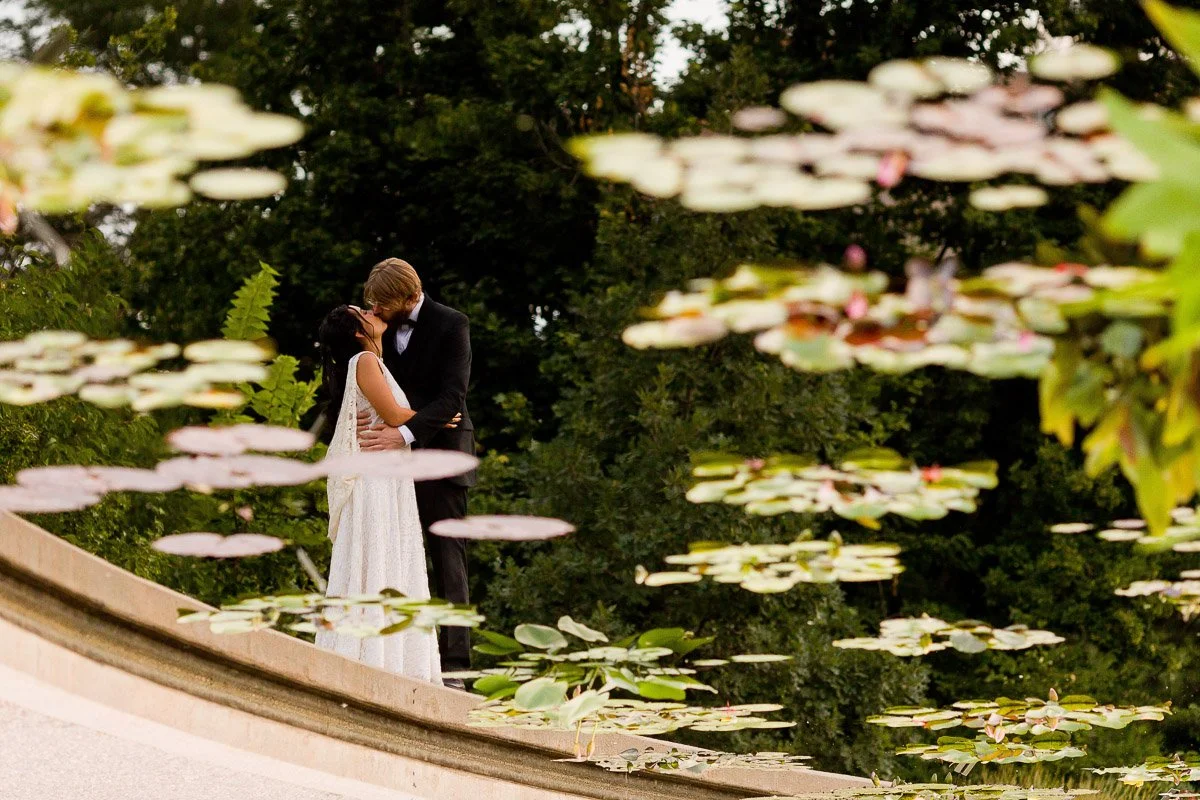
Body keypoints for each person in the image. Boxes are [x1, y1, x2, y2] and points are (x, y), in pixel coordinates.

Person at [315, 303, 458, 683]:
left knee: (388, 558)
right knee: (379, 558)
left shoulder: (370, 362)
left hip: (387, 477)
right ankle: (375, 658)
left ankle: (386, 657)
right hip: (376, 479)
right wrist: (437, 416)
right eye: (362, 310)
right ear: (359, 331)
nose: (372, 309)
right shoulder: (364, 360)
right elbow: (394, 415)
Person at [357, 258, 476, 689]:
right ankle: (400, 655)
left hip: (443, 457)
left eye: (386, 305)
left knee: (448, 560)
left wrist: (402, 432)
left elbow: (452, 400)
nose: (379, 312)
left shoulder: (452, 325)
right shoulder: (376, 330)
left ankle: (457, 667)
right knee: (396, 555)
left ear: (411, 296)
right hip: (392, 465)